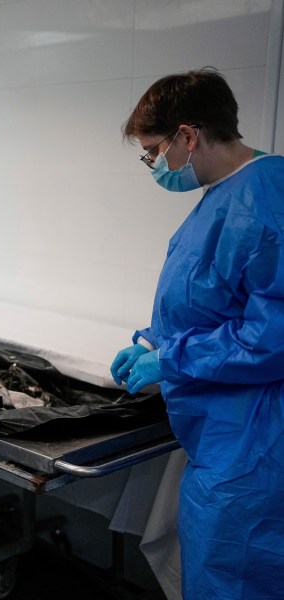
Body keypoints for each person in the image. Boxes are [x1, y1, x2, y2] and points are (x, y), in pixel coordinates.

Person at [109, 68, 284, 599]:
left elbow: (271, 336)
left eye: (152, 152)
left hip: (256, 442)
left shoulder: (267, 201)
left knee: (235, 573)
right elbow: (204, 296)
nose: (153, 165)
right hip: (224, 432)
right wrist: (152, 341)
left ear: (188, 135)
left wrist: (172, 359)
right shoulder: (223, 195)